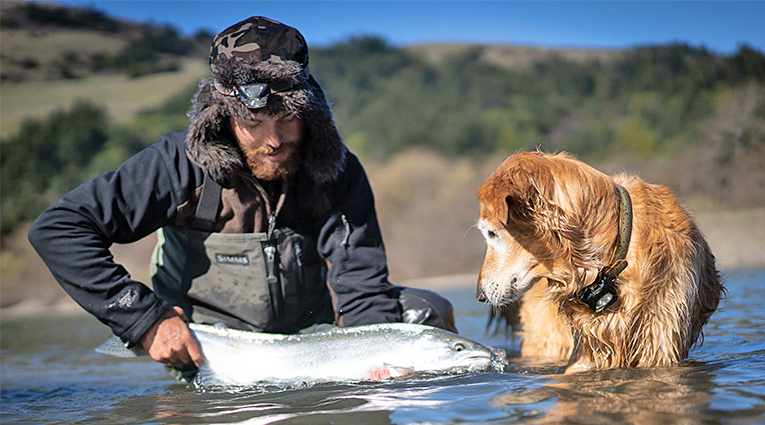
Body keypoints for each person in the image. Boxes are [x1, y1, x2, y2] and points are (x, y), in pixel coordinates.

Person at [27, 16, 456, 381]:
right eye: (255, 121)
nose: (274, 140)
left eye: (288, 119)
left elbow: (361, 285)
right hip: (211, 345)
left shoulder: (337, 170)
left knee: (429, 316)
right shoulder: (177, 164)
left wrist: (375, 356)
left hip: (315, 337)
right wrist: (143, 319)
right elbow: (59, 228)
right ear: (225, 114)